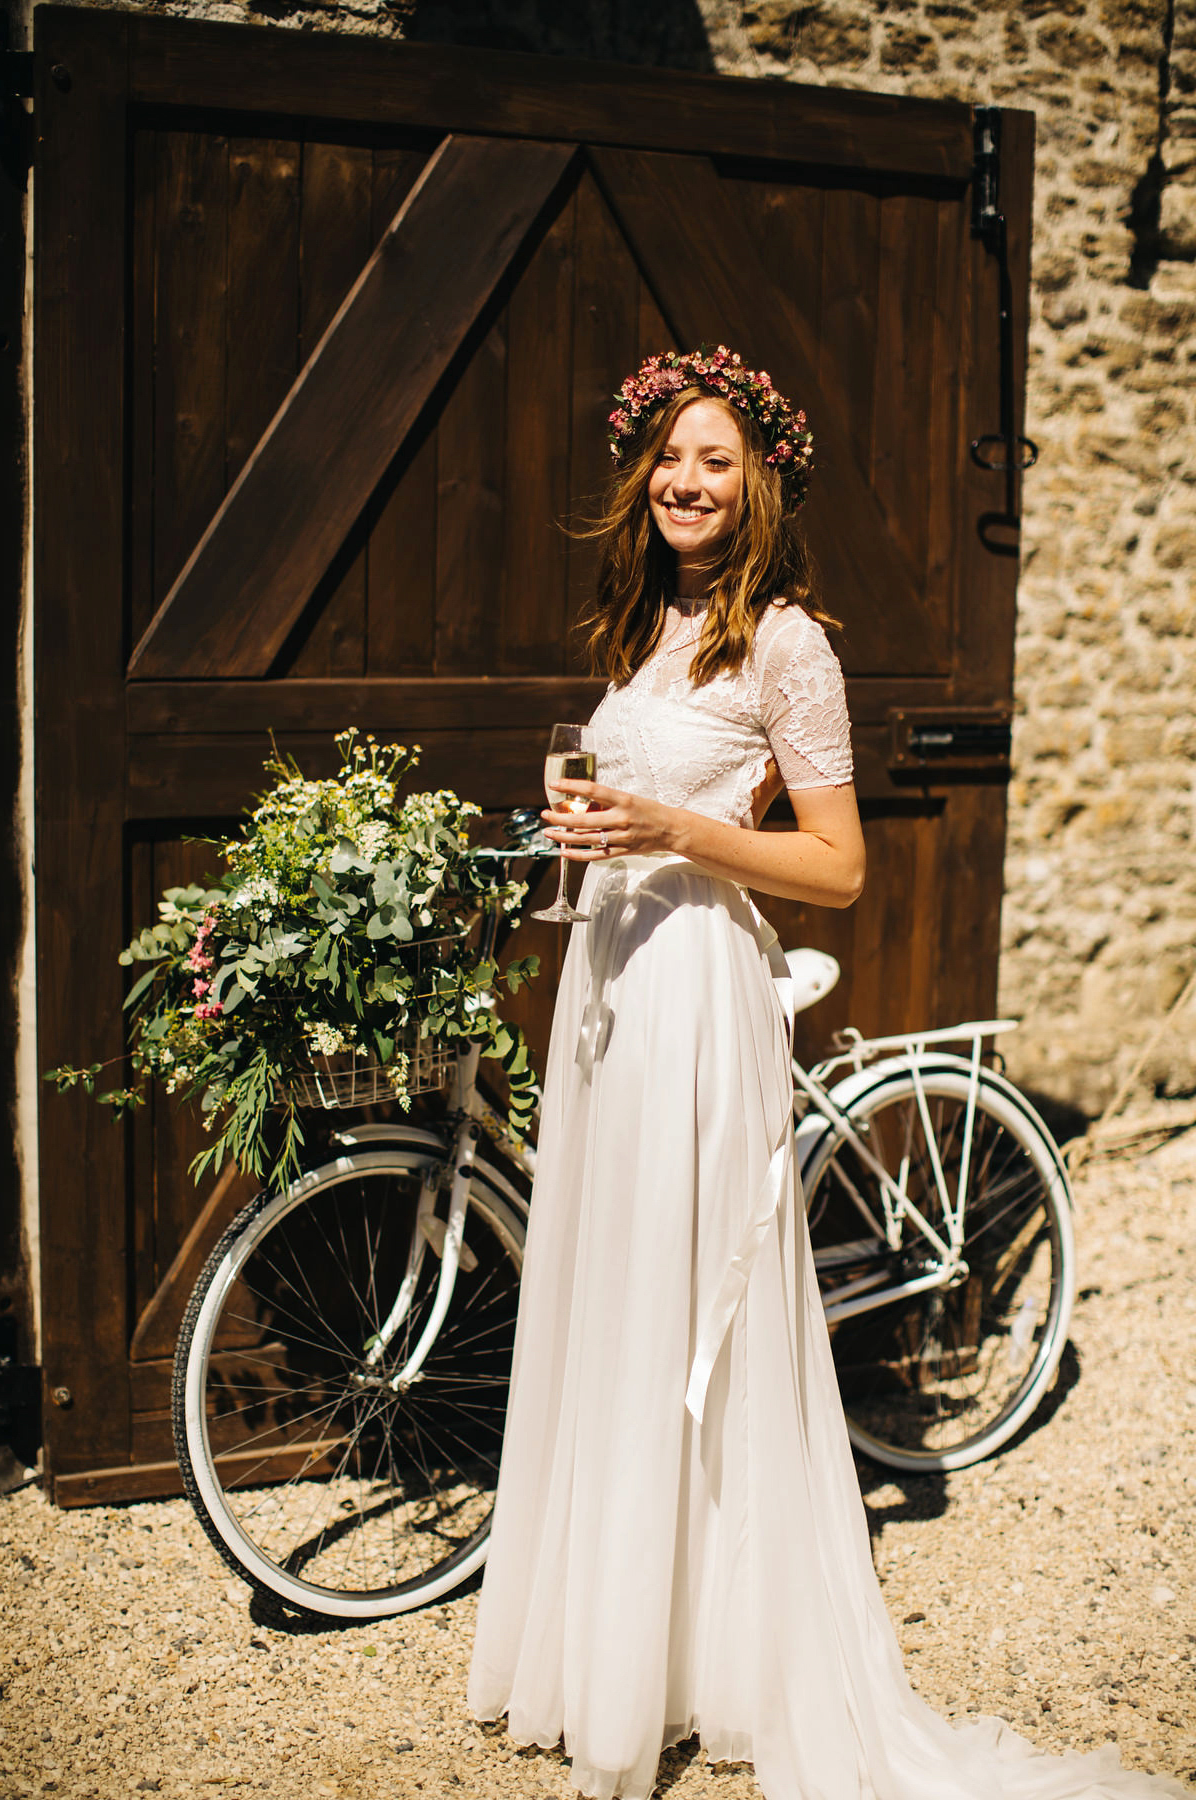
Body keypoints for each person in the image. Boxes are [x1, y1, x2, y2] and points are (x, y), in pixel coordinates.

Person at [468, 348, 1185, 1800]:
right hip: (607, 988)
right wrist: (585, 832)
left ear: (762, 482)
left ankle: (708, 1651)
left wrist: (671, 827)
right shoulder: (641, 626)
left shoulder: (789, 645)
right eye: (671, 454)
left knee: (690, 1315)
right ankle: (619, 1634)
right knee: (615, 1296)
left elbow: (841, 865)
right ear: (640, 473)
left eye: (717, 458)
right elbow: (632, 804)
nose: (687, 480)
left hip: (694, 999)